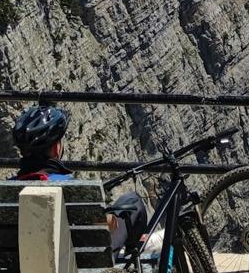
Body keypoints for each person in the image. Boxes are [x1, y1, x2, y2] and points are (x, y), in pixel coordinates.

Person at [11, 102, 148, 258]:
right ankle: (132, 267)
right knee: (132, 201)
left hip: (16, 268)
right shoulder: (71, 189)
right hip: (76, 267)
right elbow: (105, 224)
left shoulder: (5, 191)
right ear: (56, 148)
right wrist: (112, 218)